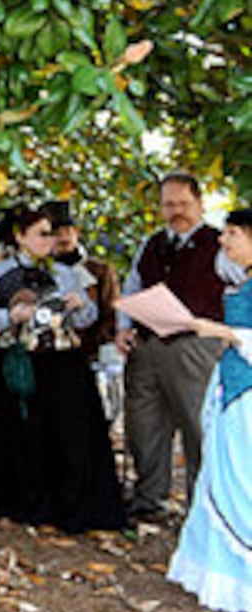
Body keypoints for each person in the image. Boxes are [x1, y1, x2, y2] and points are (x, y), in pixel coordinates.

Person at [0, 205, 126, 532]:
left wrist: (80, 306)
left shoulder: (65, 274)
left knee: (67, 431)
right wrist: (11, 317)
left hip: (63, 363)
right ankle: (16, 500)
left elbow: (87, 317)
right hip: (15, 361)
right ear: (20, 237)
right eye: (42, 234)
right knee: (15, 431)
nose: (51, 240)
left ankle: (68, 501)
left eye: (52, 233)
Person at [117, 173, 237, 519]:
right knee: (144, 424)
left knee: (198, 425)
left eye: (184, 203)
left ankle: (202, 505)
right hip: (148, 345)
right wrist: (124, 328)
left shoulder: (220, 244)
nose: (177, 211)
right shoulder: (151, 244)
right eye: (169, 204)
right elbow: (133, 285)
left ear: (200, 203)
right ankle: (150, 496)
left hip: (195, 348)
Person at [168, 208, 252, 612]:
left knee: (244, 481)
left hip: (247, 394)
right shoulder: (244, 281)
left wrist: (216, 330)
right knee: (223, 476)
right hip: (230, 387)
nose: (224, 241)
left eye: (233, 234)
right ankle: (223, 576)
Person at [44, 200, 120, 355]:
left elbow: (112, 314)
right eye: (57, 233)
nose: (64, 238)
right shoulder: (38, 271)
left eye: (68, 231)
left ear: (76, 233)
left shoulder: (100, 271)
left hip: (88, 354)